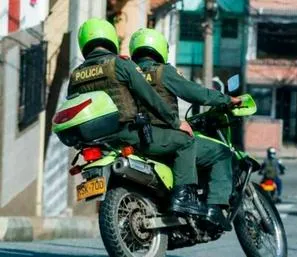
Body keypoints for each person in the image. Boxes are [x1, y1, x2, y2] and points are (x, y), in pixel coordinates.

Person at [67, 18, 207, 218]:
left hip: (96, 143)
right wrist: (176, 122)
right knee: (185, 141)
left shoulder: (76, 75)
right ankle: (183, 197)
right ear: (111, 39)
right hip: (128, 133)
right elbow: (149, 97)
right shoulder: (120, 65)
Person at [128, 28, 241, 230]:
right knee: (221, 152)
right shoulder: (162, 71)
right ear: (160, 49)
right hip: (165, 138)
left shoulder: (128, 74)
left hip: (136, 139)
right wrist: (226, 100)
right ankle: (214, 209)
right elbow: (196, 93)